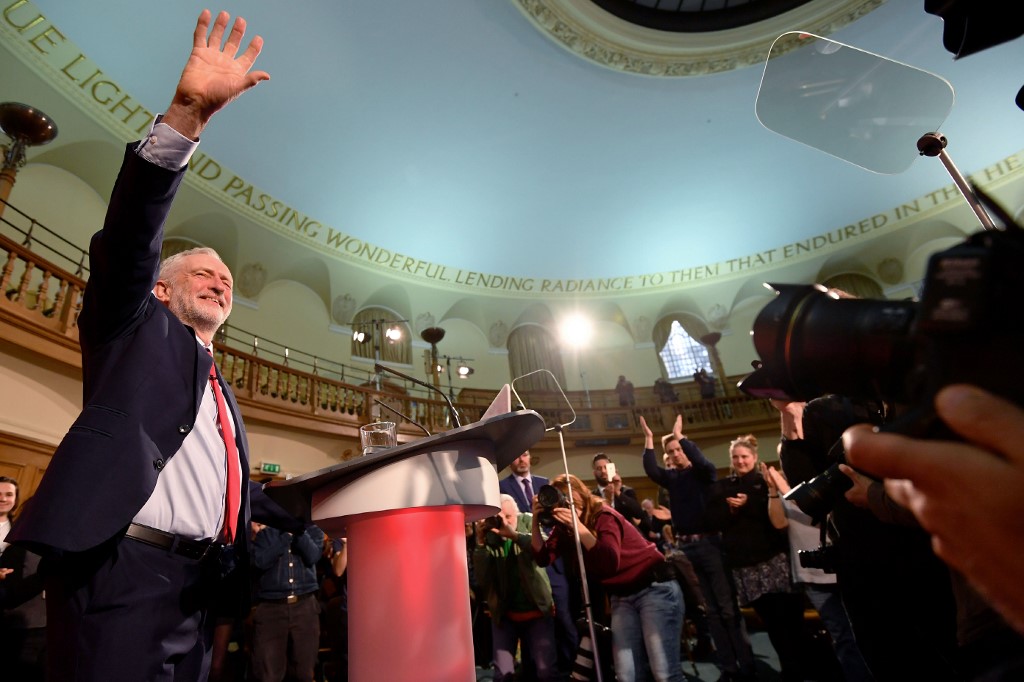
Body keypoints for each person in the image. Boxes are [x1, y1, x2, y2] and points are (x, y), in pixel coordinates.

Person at [7, 12, 302, 680]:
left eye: (227, 282)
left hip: (199, 590)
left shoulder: (218, 387)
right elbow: (129, 237)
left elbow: (236, 490)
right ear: (161, 291)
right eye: (203, 274)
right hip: (120, 572)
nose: (221, 283)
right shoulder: (130, 328)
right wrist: (187, 115)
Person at [531, 474, 685, 682]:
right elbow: (542, 557)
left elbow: (609, 561)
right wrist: (535, 520)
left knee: (663, 672)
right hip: (621, 597)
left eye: (569, 496)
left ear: (582, 494)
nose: (566, 502)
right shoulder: (564, 528)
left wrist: (579, 527)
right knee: (626, 675)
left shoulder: (603, 515)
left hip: (653, 587)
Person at [640, 415, 756, 682]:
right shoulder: (672, 478)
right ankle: (729, 669)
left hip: (711, 545)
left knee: (728, 609)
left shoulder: (703, 473)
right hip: (688, 548)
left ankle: (747, 668)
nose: (675, 454)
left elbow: (703, 462)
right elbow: (652, 470)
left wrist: (681, 437)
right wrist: (648, 439)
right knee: (712, 613)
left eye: (678, 450)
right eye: (671, 451)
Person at [705, 436, 810, 682]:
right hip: (746, 567)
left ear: (754, 457)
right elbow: (714, 521)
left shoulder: (765, 483)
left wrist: (749, 503)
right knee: (772, 623)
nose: (740, 461)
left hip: (773, 560)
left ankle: (804, 667)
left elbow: (777, 519)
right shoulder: (724, 487)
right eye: (736, 457)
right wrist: (731, 510)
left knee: (791, 618)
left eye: (744, 456)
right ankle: (789, 668)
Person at [499, 451, 578, 676]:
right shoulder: (501, 487)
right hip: (525, 564)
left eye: (524, 454)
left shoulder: (545, 483)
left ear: (530, 456)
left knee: (564, 618)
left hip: (553, 561)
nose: (521, 459)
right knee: (535, 630)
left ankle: (573, 669)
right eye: (515, 456)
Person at [474, 494, 559, 682]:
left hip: (537, 609)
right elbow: (482, 577)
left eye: (508, 516)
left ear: (517, 514)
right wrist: (480, 543)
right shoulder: (490, 533)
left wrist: (514, 535)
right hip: (505, 615)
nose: (504, 522)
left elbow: (544, 550)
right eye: (499, 517)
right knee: (502, 674)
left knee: (546, 672)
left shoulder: (528, 521)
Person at [249, 522, 326, 682]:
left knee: (304, 672)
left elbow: (313, 555)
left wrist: (298, 532)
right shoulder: (268, 533)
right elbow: (260, 561)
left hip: (305, 606)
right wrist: (286, 536)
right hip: (271, 608)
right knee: (268, 674)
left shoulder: (313, 530)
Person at [1, 477, 46, 681]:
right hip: (22, 632)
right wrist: (47, 573)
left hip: (50, 631)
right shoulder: (17, 549)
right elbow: (11, 595)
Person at [591, 453, 643, 524]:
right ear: (594, 473)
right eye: (599, 468)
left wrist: (618, 492)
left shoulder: (626, 491)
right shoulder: (591, 496)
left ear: (614, 470)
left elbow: (639, 514)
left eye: (606, 467)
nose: (603, 471)